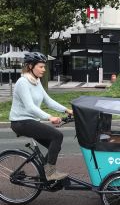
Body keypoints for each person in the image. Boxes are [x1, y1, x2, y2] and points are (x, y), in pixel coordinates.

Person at [9, 52, 73, 181]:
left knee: (54, 144)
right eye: (41, 66)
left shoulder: (36, 82)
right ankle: (50, 173)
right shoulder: (23, 82)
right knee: (57, 136)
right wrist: (50, 117)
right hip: (20, 122)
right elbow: (30, 107)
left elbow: (48, 101)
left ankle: (44, 173)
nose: (44, 69)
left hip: (30, 121)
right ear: (31, 66)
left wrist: (66, 110)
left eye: (44, 66)